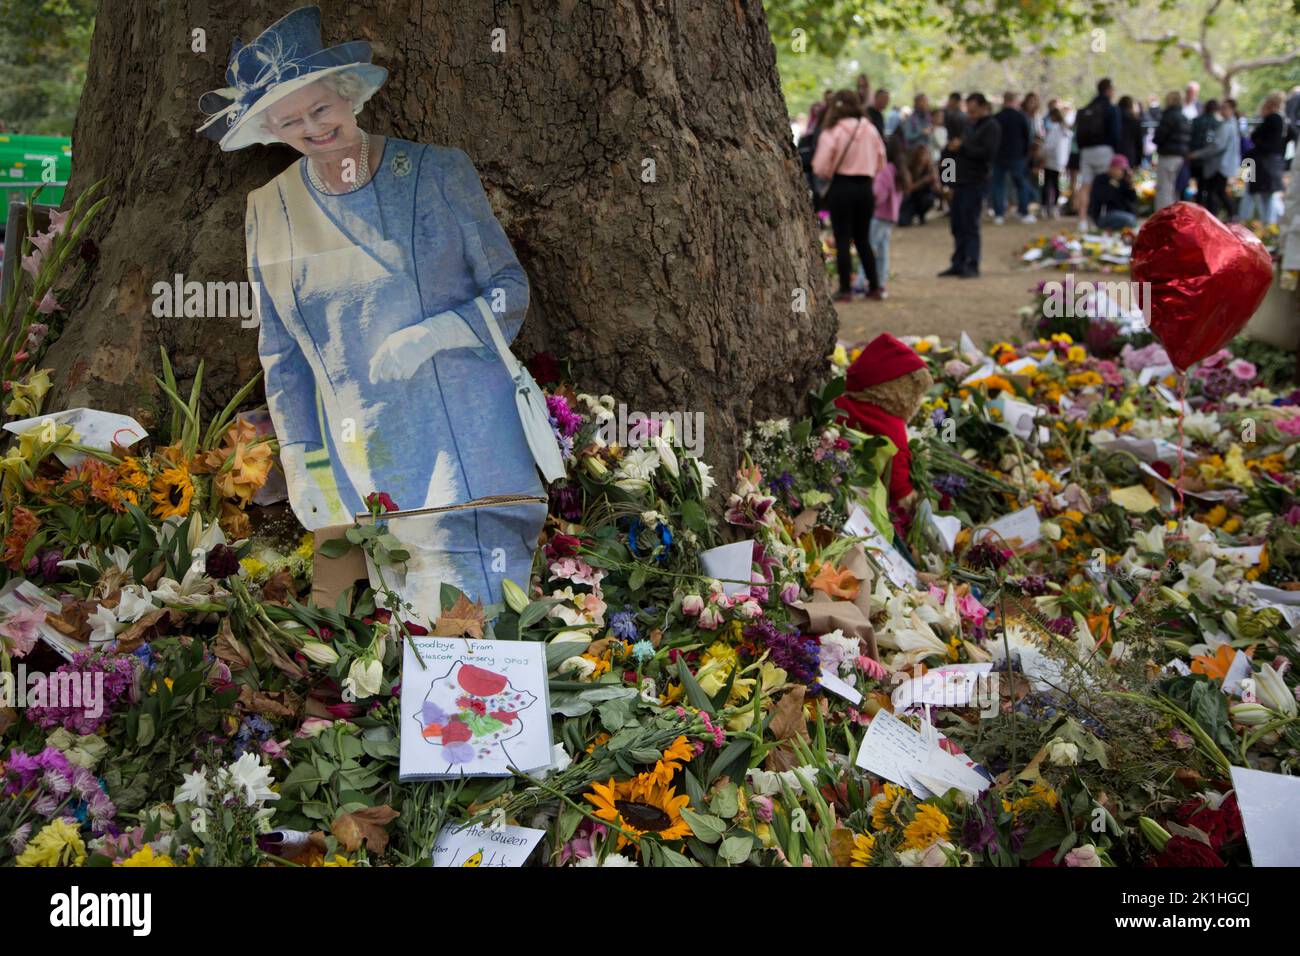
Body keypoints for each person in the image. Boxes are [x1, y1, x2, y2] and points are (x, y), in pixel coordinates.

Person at [200, 6, 547, 607]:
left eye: (320, 108)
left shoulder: (437, 173)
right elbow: (282, 355)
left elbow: (507, 289)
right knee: (402, 643)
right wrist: (303, 462)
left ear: (349, 95)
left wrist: (434, 334)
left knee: (475, 634)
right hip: (364, 464)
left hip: (466, 452)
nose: (312, 127)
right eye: (291, 121)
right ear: (272, 132)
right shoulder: (269, 209)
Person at [812, 89, 887, 301]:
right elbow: (881, 159)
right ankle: (875, 286)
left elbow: (820, 165)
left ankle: (845, 289)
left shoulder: (833, 130)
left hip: (841, 186)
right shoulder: (871, 129)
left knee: (843, 238)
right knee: (863, 239)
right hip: (865, 188)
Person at [939, 92, 1000, 279]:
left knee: (970, 224)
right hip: (959, 182)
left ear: (983, 108)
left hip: (976, 182)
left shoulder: (991, 127)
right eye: (969, 111)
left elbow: (987, 154)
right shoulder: (966, 126)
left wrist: (962, 148)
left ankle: (972, 264)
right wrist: (947, 182)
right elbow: (949, 156)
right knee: (957, 224)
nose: (971, 115)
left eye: (974, 111)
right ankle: (958, 262)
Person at [1074, 78, 1122, 229]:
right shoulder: (1110, 108)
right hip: (1104, 150)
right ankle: (1099, 220)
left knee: (1086, 185)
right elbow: (1115, 133)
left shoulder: (1088, 107)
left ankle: (1082, 220)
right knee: (1103, 185)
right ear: (1109, 90)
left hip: (1086, 151)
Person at [1239, 93, 1288, 224]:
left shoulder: (1273, 118)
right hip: (1270, 162)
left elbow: (1255, 136)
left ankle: (1266, 224)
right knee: (1267, 196)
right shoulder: (1282, 120)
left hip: (1263, 163)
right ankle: (1268, 225)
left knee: (1264, 196)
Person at [870, 138, 910, 298]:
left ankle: (863, 282)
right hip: (890, 216)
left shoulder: (885, 171)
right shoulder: (900, 170)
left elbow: (878, 194)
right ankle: (881, 283)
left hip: (879, 214)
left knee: (870, 249)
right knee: (883, 251)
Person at [991, 91, 1036, 224]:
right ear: (1015, 101)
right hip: (1018, 156)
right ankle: (1023, 212)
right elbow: (1028, 137)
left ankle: (998, 214)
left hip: (999, 155)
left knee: (998, 184)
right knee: (1021, 184)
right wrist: (1027, 153)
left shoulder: (997, 117)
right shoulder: (1021, 117)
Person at [1189, 99, 1238, 219]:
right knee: (1217, 192)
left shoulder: (1227, 126)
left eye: (1225, 107)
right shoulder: (1229, 124)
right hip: (1221, 165)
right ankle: (1228, 215)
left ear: (1232, 110)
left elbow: (1217, 146)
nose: (1222, 110)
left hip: (1219, 166)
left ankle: (1220, 217)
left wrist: (1198, 154)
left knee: (1215, 192)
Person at [1152, 90, 1191, 210]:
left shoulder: (1168, 116)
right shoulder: (1184, 118)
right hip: (1180, 157)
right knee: (1174, 188)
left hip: (1168, 155)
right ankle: (1173, 214)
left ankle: (1163, 216)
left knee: (1164, 188)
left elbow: (1159, 136)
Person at [1088, 154, 1139, 230]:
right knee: (1130, 220)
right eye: (1120, 169)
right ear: (1111, 167)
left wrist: (1130, 184)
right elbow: (1103, 198)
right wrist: (1113, 182)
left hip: (1123, 215)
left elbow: (1133, 199)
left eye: (1123, 170)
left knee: (1131, 221)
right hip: (1104, 215)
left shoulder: (1124, 181)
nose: (1121, 172)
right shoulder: (1101, 179)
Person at [899, 142, 940, 226]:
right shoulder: (909, 167)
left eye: (926, 155)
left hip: (923, 197)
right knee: (903, 222)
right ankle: (910, 214)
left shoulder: (931, 167)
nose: (925, 158)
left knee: (929, 199)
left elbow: (938, 188)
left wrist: (935, 182)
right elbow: (909, 188)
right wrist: (924, 180)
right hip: (910, 198)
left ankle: (921, 215)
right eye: (922, 155)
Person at [1189, 97, 1220, 205]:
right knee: (1205, 189)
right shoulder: (1217, 124)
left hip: (1193, 157)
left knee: (1193, 186)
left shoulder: (1196, 121)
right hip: (1207, 160)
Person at [1041, 106, 1071, 217]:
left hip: (1051, 160)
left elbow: (1050, 145)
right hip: (1060, 161)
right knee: (1056, 184)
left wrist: (1043, 154)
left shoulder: (1055, 128)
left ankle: (1045, 206)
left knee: (1048, 184)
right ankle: (1054, 206)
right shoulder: (1065, 130)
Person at [1118, 95, 1144, 169]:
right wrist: (1139, 160)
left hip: (1115, 153)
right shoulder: (1134, 121)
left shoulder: (1114, 119)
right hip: (1130, 154)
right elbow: (1139, 142)